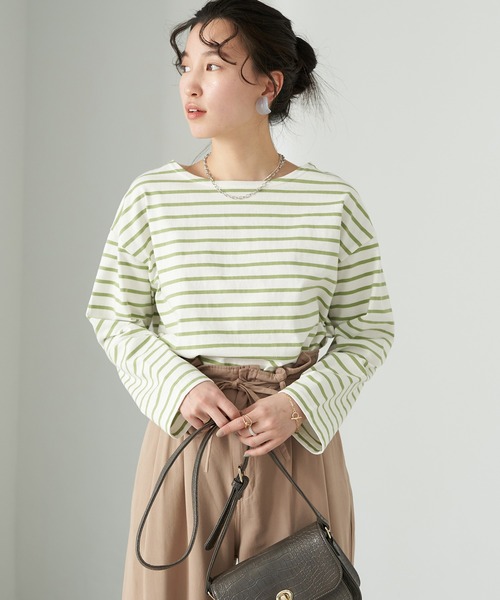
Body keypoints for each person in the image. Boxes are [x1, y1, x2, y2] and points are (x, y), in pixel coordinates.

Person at [86, 0, 395, 598]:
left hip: (293, 446)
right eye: (185, 66)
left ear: (269, 85)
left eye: (214, 65)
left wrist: (299, 405)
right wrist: (181, 387)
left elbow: (369, 330)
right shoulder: (153, 197)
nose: (190, 84)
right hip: (185, 448)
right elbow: (114, 315)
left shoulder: (332, 202)